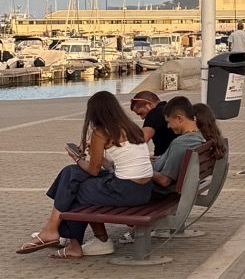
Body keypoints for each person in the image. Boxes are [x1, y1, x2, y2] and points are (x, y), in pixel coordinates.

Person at [17, 90, 156, 260]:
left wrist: (76, 157)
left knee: (73, 187)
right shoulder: (132, 128)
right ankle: (56, 232)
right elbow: (113, 166)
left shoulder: (102, 132)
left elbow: (93, 170)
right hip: (142, 191)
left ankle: (67, 239)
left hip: (124, 190)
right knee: (71, 175)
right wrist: (94, 152)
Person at [150, 98, 204, 188]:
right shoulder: (199, 137)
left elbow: (164, 180)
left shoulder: (180, 143)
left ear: (179, 118)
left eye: (168, 122)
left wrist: (142, 170)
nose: (168, 126)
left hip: (161, 191)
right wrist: (161, 159)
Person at [129, 89, 175, 160]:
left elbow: (141, 142)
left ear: (149, 104)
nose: (142, 117)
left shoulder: (154, 113)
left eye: (141, 113)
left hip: (165, 163)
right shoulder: (170, 110)